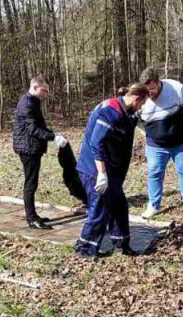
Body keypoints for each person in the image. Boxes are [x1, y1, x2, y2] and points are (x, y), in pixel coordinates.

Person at [74, 84, 149, 258]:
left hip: (112, 169)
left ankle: (122, 244)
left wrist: (138, 119)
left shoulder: (124, 111)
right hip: (94, 169)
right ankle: (84, 249)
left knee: (119, 205)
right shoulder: (110, 112)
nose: (141, 107)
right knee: (100, 209)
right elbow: (96, 143)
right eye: (142, 103)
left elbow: (125, 126)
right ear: (136, 99)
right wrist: (101, 174)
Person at [137, 66, 183, 220]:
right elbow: (134, 116)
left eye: (152, 89)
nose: (150, 94)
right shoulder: (141, 96)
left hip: (181, 141)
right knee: (154, 172)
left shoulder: (176, 88)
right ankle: (153, 205)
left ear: (158, 82)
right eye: (147, 91)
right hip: (155, 144)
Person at [12, 75, 67, 230]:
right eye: (44, 90)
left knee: (32, 183)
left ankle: (33, 215)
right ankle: (31, 219)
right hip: (28, 148)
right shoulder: (27, 104)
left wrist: (54, 134)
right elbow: (33, 129)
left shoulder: (33, 102)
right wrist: (53, 137)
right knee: (30, 184)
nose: (46, 93)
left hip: (31, 147)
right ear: (35, 87)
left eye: (47, 91)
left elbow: (40, 126)